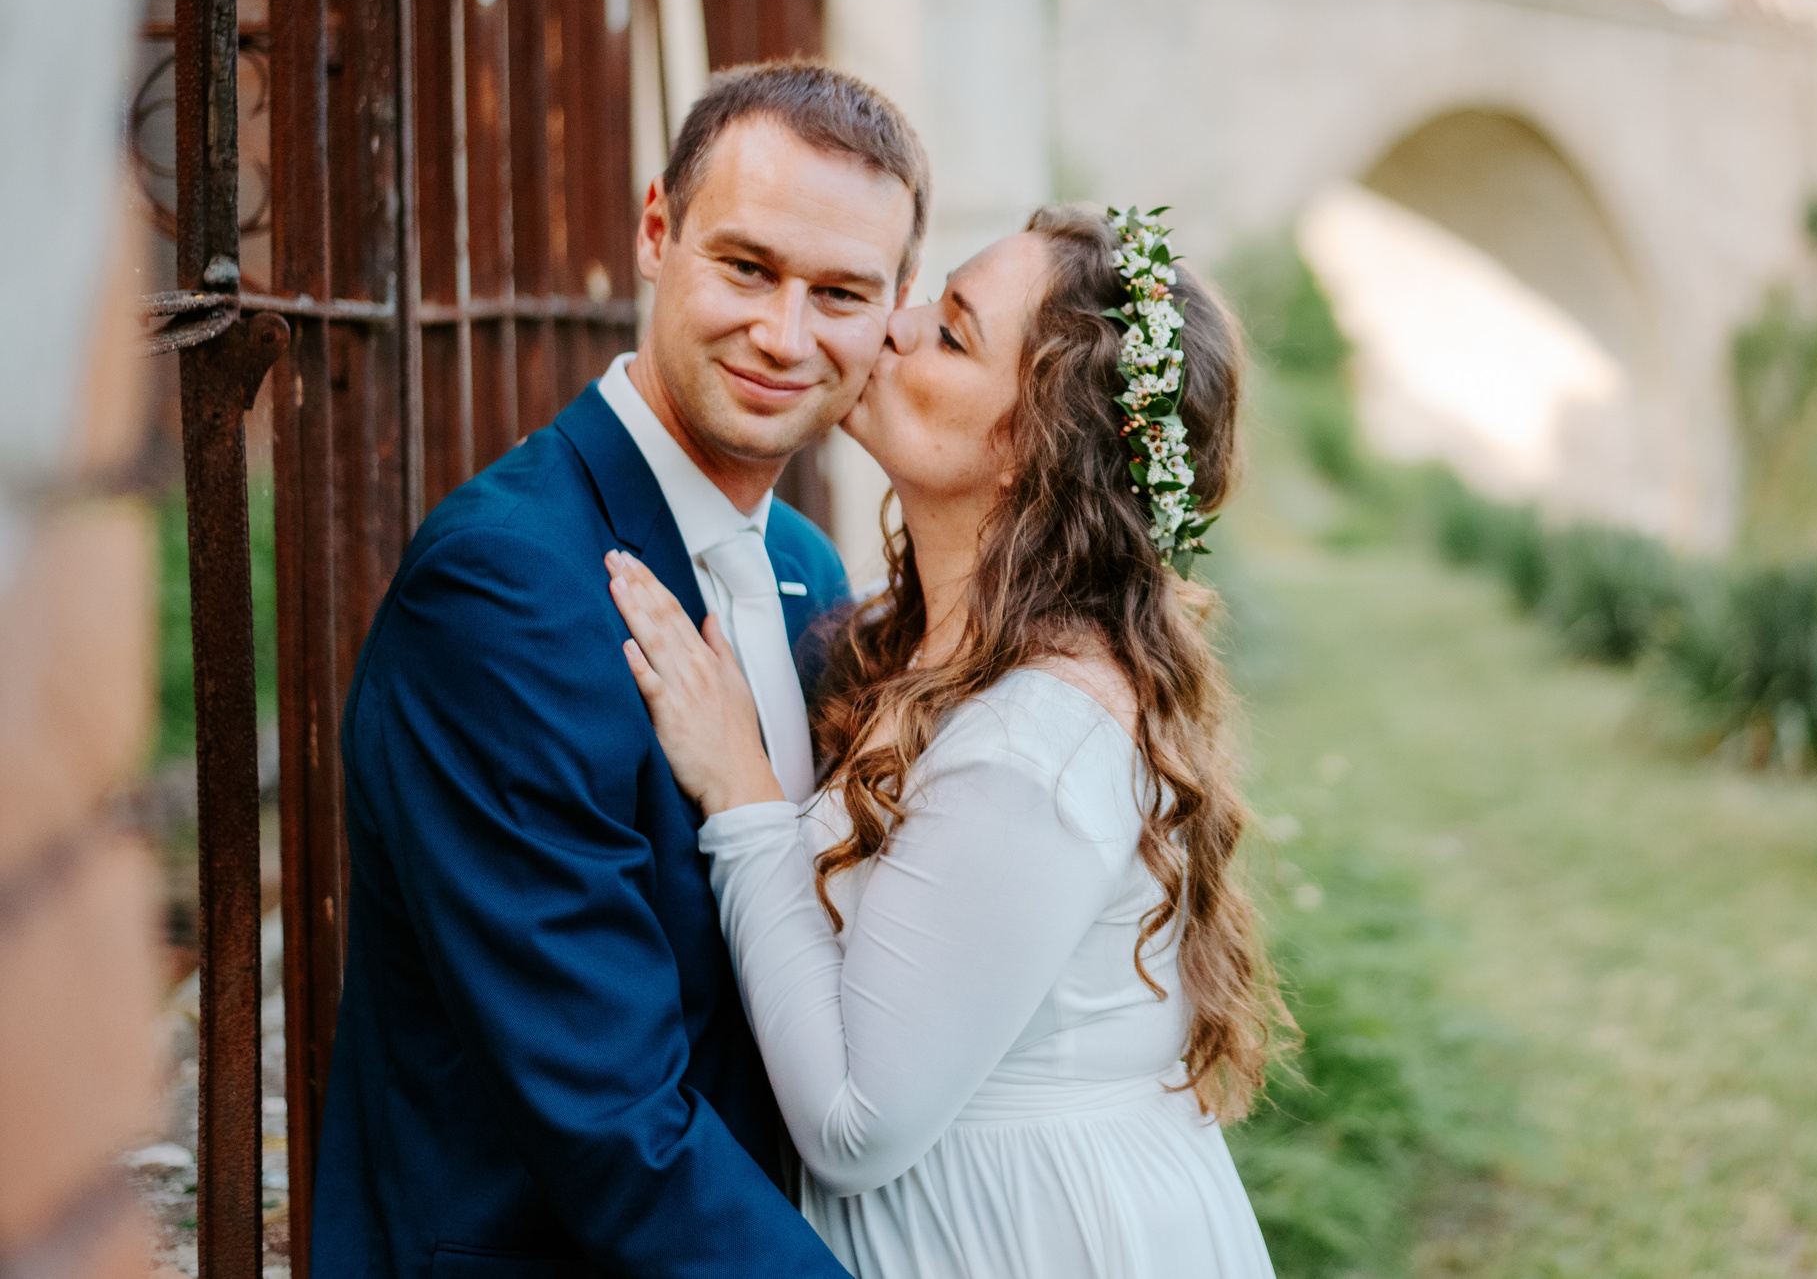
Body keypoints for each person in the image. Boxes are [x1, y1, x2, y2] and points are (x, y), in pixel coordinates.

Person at [311, 62, 928, 1279]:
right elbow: (606, 1116)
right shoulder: (503, 588)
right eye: (745, 267)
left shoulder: (803, 566)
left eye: (839, 292)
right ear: (657, 232)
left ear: (894, 306)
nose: (783, 334)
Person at [606, 205, 1284, 1278]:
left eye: (952, 331)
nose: (893, 323)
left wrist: (740, 789)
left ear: (1032, 447)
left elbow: (854, 1123)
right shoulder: (926, 644)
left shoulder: (1034, 742)